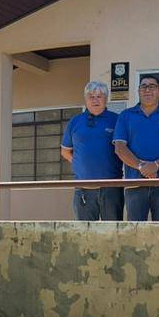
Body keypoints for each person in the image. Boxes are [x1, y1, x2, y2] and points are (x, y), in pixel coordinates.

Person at [113, 74, 159, 221]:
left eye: (152, 86)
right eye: (143, 86)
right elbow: (120, 148)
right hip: (134, 184)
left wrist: (156, 165)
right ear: (139, 91)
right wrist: (142, 167)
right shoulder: (126, 116)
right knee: (136, 231)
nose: (147, 90)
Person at [60, 81, 122, 220]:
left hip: (111, 188)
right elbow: (65, 151)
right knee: (85, 233)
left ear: (106, 99)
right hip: (83, 189)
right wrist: (79, 163)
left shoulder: (117, 120)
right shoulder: (75, 122)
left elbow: (124, 149)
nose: (95, 100)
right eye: (91, 96)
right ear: (86, 99)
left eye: (99, 96)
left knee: (112, 233)